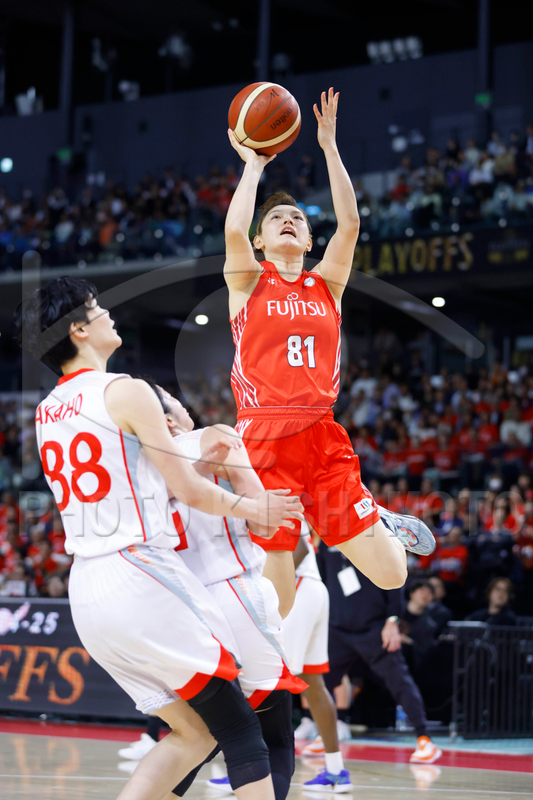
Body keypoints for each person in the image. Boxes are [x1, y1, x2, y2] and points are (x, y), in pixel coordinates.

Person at [15, 276, 304, 800]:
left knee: (195, 734)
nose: (108, 314)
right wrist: (255, 506)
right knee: (241, 728)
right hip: (139, 571)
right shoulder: (124, 389)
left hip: (88, 589)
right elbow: (187, 491)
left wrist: (199, 461)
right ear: (78, 328)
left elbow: (140, 479)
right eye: (97, 307)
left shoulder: (45, 411)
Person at [224, 87, 435, 616]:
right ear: (260, 242)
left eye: (297, 219)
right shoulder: (247, 282)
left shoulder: (327, 286)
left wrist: (330, 147)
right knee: (278, 600)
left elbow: (352, 225)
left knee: (392, 574)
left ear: (309, 241)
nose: (288, 221)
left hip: (321, 434)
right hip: (264, 435)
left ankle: (371, 516)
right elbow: (232, 228)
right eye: (276, 219)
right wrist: (254, 164)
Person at [146, 381, 306, 800]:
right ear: (167, 421)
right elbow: (264, 521)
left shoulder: (133, 467)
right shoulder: (214, 436)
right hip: (234, 594)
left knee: (199, 736)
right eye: (176, 401)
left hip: (180, 609)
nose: (185, 405)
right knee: (271, 737)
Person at [317, 544, 442, 765]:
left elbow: (394, 578)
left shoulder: (373, 534)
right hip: (337, 628)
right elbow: (321, 581)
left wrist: (392, 620)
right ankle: (326, 736)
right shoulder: (326, 542)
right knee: (321, 682)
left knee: (399, 680)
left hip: (374, 627)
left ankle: (424, 739)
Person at [282, 531, 353, 792]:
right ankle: (335, 770)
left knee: (268, 679)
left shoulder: (265, 503)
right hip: (311, 588)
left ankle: (252, 769)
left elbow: (300, 546)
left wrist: (272, 587)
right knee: (313, 683)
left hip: (296, 587)